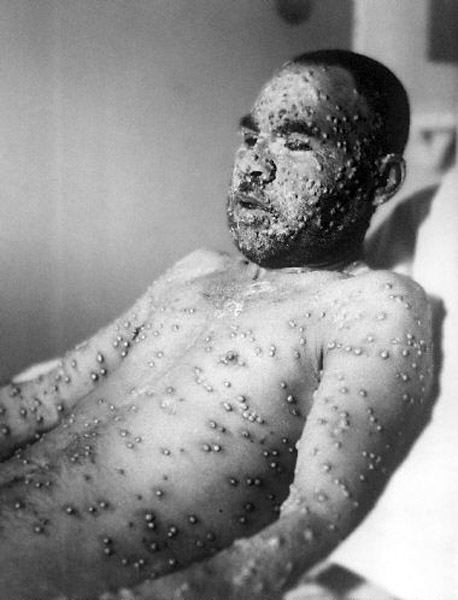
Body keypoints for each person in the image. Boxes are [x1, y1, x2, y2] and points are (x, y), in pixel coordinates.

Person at [0, 50, 433, 600]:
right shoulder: (195, 272)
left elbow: (318, 515)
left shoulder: (370, 307)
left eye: (297, 144)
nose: (255, 166)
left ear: (381, 180)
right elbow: (38, 400)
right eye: (251, 138)